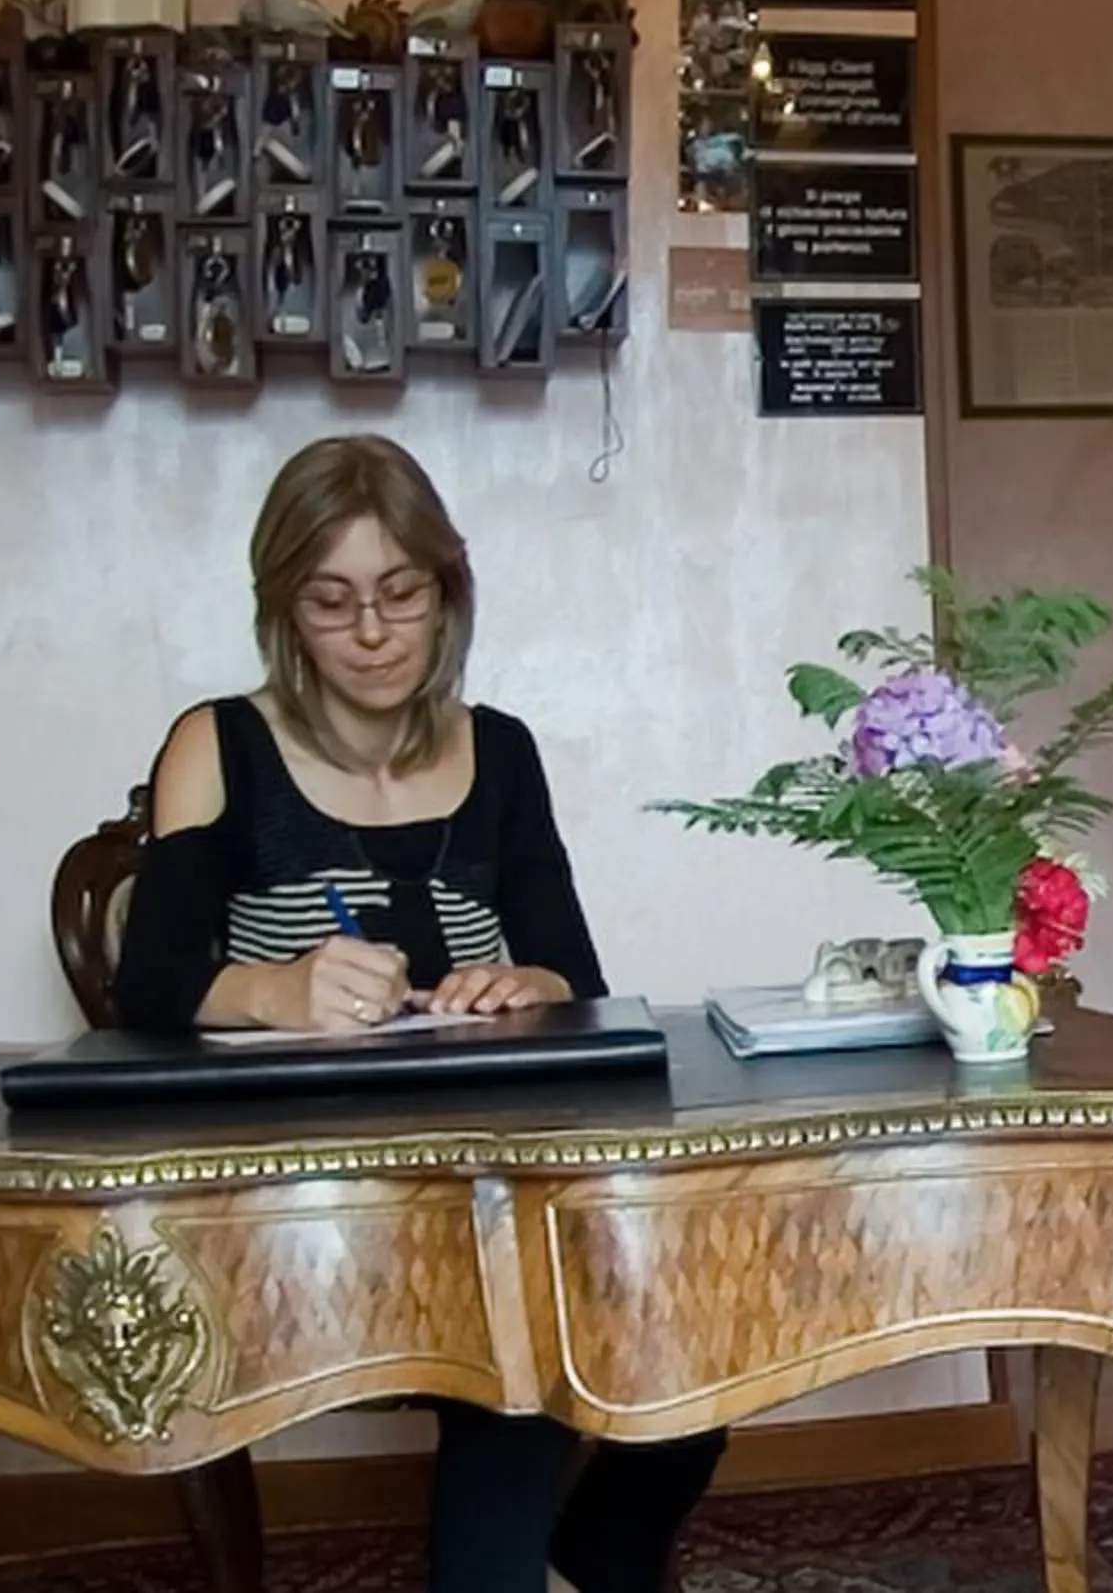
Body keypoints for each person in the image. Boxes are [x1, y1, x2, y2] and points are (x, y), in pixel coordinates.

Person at [113, 434, 725, 1593]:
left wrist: (531, 986)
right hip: (307, 1186)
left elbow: (575, 977)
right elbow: (144, 991)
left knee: (689, 1367)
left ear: (448, 593)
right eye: (332, 602)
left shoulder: (499, 751)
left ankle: (577, 1565)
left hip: (491, 1163)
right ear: (283, 611)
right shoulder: (219, 743)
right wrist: (272, 991)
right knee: (518, 1348)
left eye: (401, 594)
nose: (375, 632)